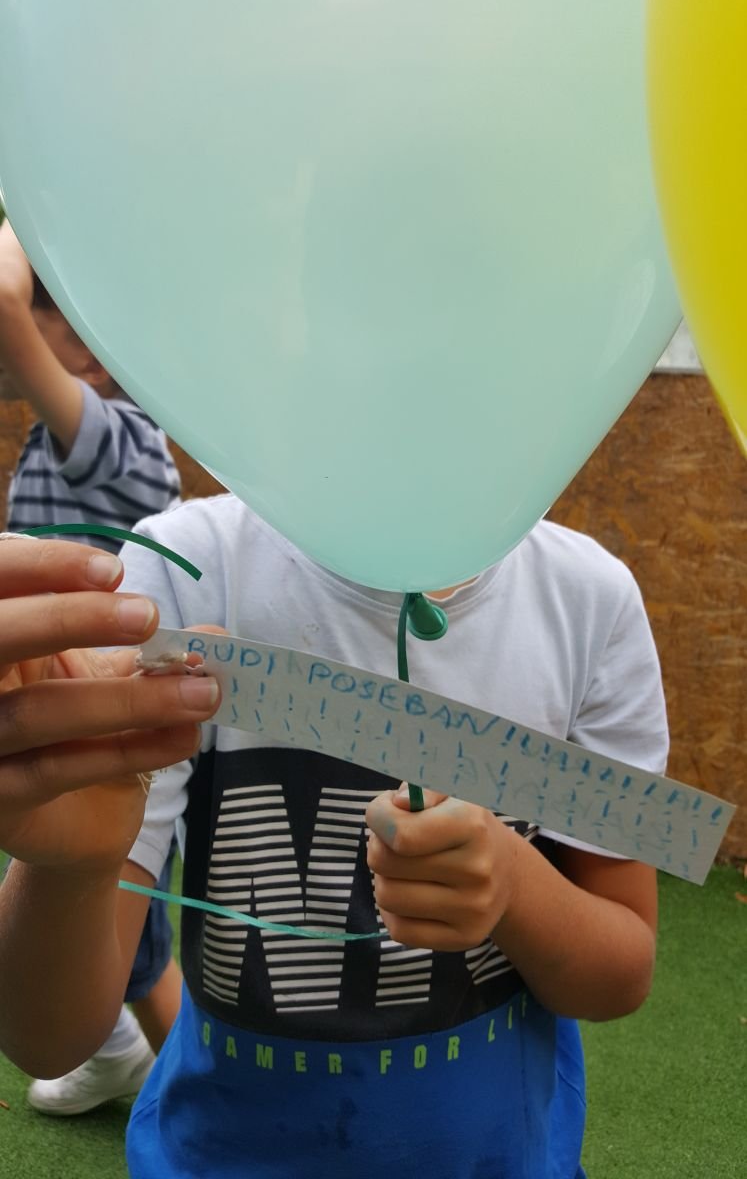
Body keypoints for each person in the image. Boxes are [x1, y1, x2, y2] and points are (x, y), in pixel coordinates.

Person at [0, 492, 667, 1177]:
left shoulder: (587, 599)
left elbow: (618, 977)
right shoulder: (189, 566)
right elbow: (48, 1040)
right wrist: (71, 868)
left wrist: (516, 889)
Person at [0, 219, 183, 1114]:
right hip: (61, 732)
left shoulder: (127, 436)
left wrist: (21, 215)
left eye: (58, 318)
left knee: (128, 942)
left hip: (115, 747)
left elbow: (5, 311)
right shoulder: (50, 442)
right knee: (112, 937)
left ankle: (163, 1069)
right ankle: (121, 1053)